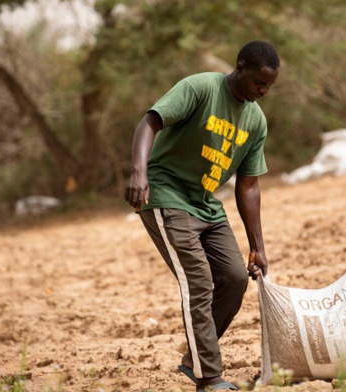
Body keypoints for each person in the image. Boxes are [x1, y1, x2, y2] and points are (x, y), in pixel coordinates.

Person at [124, 40, 279, 391]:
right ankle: (209, 377)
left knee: (235, 278)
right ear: (240, 67)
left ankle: (196, 358)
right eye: (259, 82)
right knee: (197, 281)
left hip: (206, 204)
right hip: (165, 195)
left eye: (269, 85)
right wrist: (139, 171)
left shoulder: (256, 120)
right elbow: (150, 122)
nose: (264, 90)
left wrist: (258, 245)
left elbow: (249, 185)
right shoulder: (201, 87)